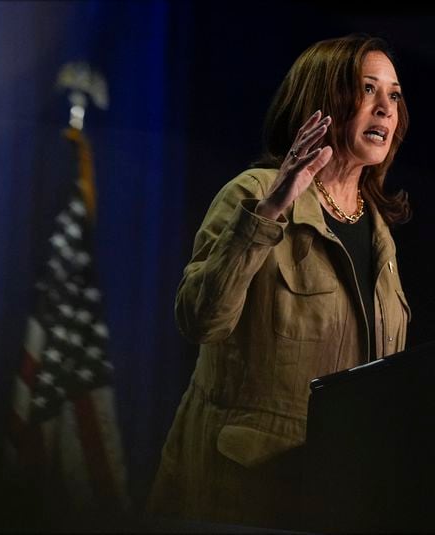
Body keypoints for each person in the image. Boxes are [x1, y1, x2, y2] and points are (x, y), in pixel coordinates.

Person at [146, 33, 412, 530]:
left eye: (393, 95)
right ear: (324, 101)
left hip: (340, 493)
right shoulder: (253, 195)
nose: (384, 108)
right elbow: (199, 319)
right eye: (367, 90)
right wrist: (271, 211)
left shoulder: (379, 230)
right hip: (242, 492)